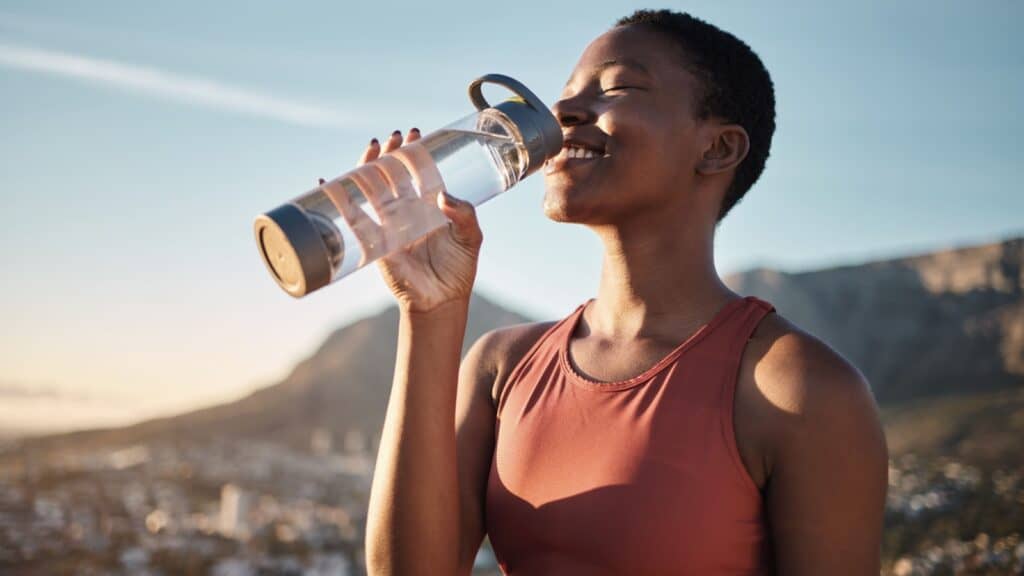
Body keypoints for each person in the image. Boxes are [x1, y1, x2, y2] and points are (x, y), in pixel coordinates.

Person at [356, 9, 888, 575]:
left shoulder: (799, 389)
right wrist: (429, 313)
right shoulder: (503, 366)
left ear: (717, 150)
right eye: (566, 95)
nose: (561, 114)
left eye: (619, 87)